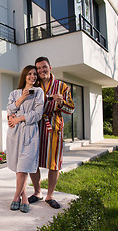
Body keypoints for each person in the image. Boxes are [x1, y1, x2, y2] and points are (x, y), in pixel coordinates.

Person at [28, 57, 75, 209]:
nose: (41, 70)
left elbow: (71, 109)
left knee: (54, 163)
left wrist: (61, 102)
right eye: (39, 68)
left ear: (50, 67)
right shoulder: (34, 85)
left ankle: (50, 196)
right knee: (33, 161)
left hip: (53, 128)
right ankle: (37, 192)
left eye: (44, 67)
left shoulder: (62, 86)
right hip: (35, 127)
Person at [6, 65, 44, 213]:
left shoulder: (39, 92)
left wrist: (19, 118)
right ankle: (25, 198)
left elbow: (37, 114)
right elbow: (9, 110)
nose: (32, 76)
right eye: (29, 74)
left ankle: (16, 196)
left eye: (35, 74)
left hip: (30, 133)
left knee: (24, 167)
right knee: (18, 168)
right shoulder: (15, 93)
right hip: (15, 134)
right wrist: (22, 98)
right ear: (24, 76)